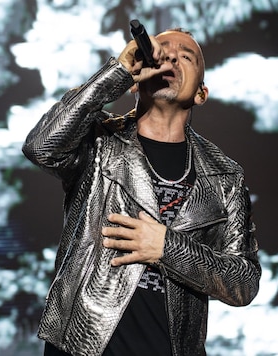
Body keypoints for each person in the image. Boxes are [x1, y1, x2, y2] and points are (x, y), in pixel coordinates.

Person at [22, 26, 261, 356]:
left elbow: (243, 282)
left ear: (201, 94)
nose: (172, 57)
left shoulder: (225, 178)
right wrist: (116, 72)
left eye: (186, 56)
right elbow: (40, 148)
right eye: (162, 52)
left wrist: (167, 247)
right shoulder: (99, 142)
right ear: (136, 81)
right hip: (82, 348)